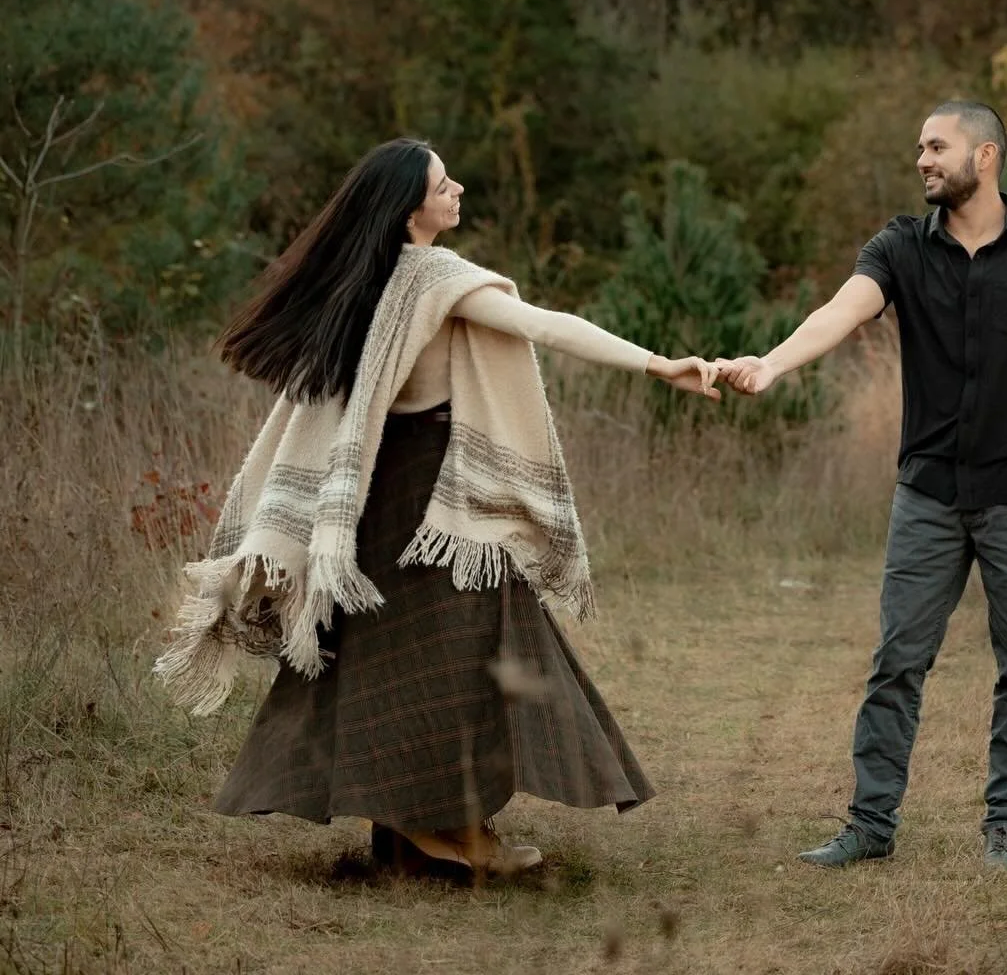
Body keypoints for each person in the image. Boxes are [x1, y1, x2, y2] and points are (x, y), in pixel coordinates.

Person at [156, 138, 717, 882]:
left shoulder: (368, 282)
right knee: (460, 660)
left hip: (376, 502)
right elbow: (545, 324)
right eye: (442, 183)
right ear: (408, 206)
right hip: (428, 508)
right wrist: (657, 363)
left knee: (384, 658)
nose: (457, 190)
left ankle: (409, 833)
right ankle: (450, 831)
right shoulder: (434, 278)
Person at [719, 100, 1007, 871]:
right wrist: (773, 362)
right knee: (898, 661)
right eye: (919, 148)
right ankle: (871, 825)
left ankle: (1004, 828)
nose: (923, 160)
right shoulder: (901, 247)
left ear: (987, 156)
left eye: (938, 146)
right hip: (930, 495)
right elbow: (841, 310)